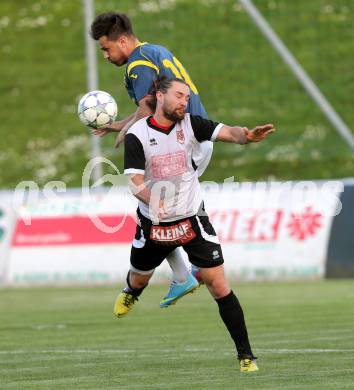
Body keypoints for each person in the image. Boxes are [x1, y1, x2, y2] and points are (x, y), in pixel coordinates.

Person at [116, 76, 275, 372]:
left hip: (192, 218)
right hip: (154, 222)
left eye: (186, 97)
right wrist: (154, 200)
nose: (184, 101)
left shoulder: (191, 124)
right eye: (178, 95)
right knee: (139, 278)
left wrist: (246, 136)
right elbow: (135, 183)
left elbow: (228, 132)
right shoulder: (138, 134)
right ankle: (132, 292)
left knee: (218, 284)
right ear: (159, 96)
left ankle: (246, 356)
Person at [90, 12, 213, 307]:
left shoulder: (137, 64)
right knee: (155, 207)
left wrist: (125, 136)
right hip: (192, 139)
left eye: (107, 48)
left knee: (154, 208)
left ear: (122, 40)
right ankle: (188, 271)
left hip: (185, 143)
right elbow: (147, 109)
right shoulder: (154, 51)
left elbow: (147, 110)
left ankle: (190, 270)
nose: (106, 55)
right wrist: (118, 125)